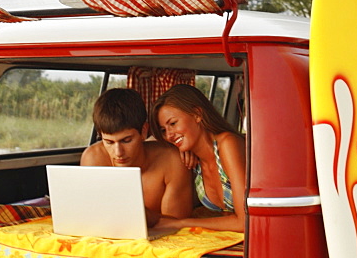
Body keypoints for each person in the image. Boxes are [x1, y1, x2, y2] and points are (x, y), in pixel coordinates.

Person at [81, 87, 193, 227]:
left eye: (126, 140)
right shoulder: (92, 158)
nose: (118, 152)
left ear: (143, 131)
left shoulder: (171, 160)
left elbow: (179, 225)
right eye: (109, 142)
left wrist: (143, 215)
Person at [150, 84, 246, 232]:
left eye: (173, 124)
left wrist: (182, 223)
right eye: (163, 130)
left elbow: (244, 222)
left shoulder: (227, 144)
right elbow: (149, 145)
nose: (169, 135)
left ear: (197, 114)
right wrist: (179, 148)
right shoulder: (194, 161)